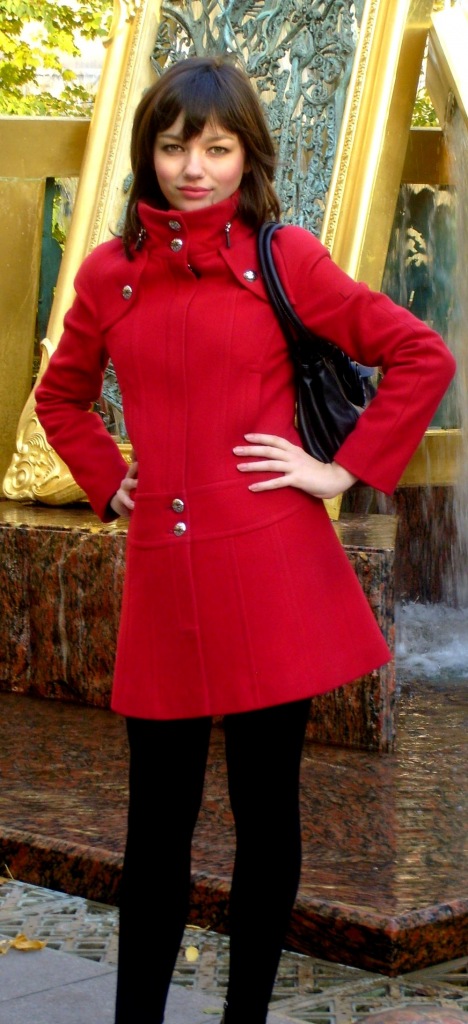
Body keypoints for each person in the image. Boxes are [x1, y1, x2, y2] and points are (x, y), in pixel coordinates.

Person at [35, 55, 456, 1024]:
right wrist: (107, 476)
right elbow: (61, 397)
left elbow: (419, 354)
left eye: (217, 148)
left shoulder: (284, 258)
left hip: (270, 569)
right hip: (165, 584)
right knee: (156, 828)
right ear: (147, 153)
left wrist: (340, 469)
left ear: (246, 156)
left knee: (268, 818)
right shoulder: (108, 275)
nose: (195, 168)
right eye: (175, 146)